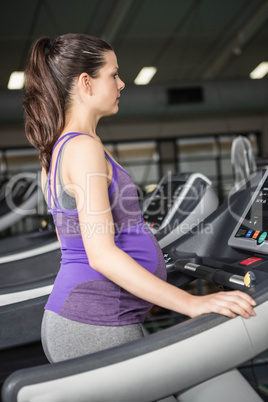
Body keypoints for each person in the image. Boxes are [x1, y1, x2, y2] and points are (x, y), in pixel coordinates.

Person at [23, 33, 256, 363]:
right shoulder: (82, 148)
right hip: (95, 322)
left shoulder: (58, 149)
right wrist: (192, 303)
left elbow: (71, 241)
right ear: (86, 83)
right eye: (113, 74)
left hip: (98, 317)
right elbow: (101, 255)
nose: (121, 84)